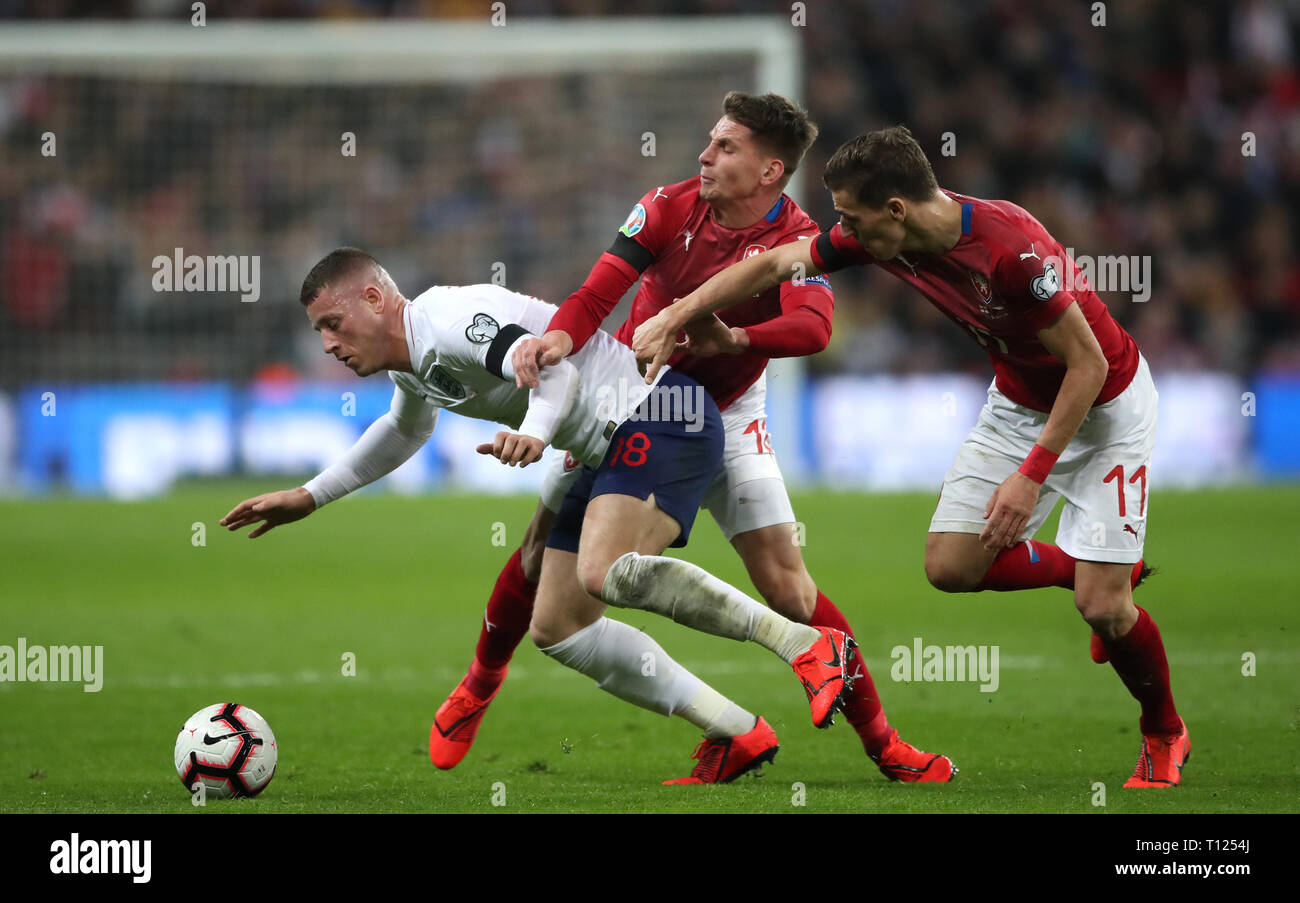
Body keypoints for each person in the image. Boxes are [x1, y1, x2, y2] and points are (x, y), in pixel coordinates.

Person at [634, 126, 1187, 788]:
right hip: (1018, 404)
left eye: (853, 218)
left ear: (895, 209)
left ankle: (1163, 730)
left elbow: (1088, 364)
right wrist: (680, 314)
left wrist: (1029, 477)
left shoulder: (1012, 248)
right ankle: (1089, 568)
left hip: (1105, 406)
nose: (845, 231)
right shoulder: (881, 237)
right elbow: (774, 264)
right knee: (950, 566)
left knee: (1105, 609)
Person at [432, 92, 954, 784]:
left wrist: (735, 336)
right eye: (710, 141)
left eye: (725, 147)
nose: (704, 155)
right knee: (537, 552)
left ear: (771, 170)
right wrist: (560, 336)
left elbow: (815, 329)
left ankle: (885, 743)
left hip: (731, 412)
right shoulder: (668, 205)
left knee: (791, 591)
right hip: (629, 399)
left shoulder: (794, 240)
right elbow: (596, 293)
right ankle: (478, 683)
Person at [220, 248, 856, 784]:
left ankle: (806, 646)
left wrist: (533, 432)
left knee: (606, 572)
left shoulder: (450, 321)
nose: (328, 344)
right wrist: (309, 497)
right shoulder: (413, 365)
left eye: (333, 323)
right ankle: (737, 732)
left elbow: (553, 376)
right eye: (319, 332)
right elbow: (402, 431)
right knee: (557, 629)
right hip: (606, 447)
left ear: (373, 297)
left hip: (662, 415)